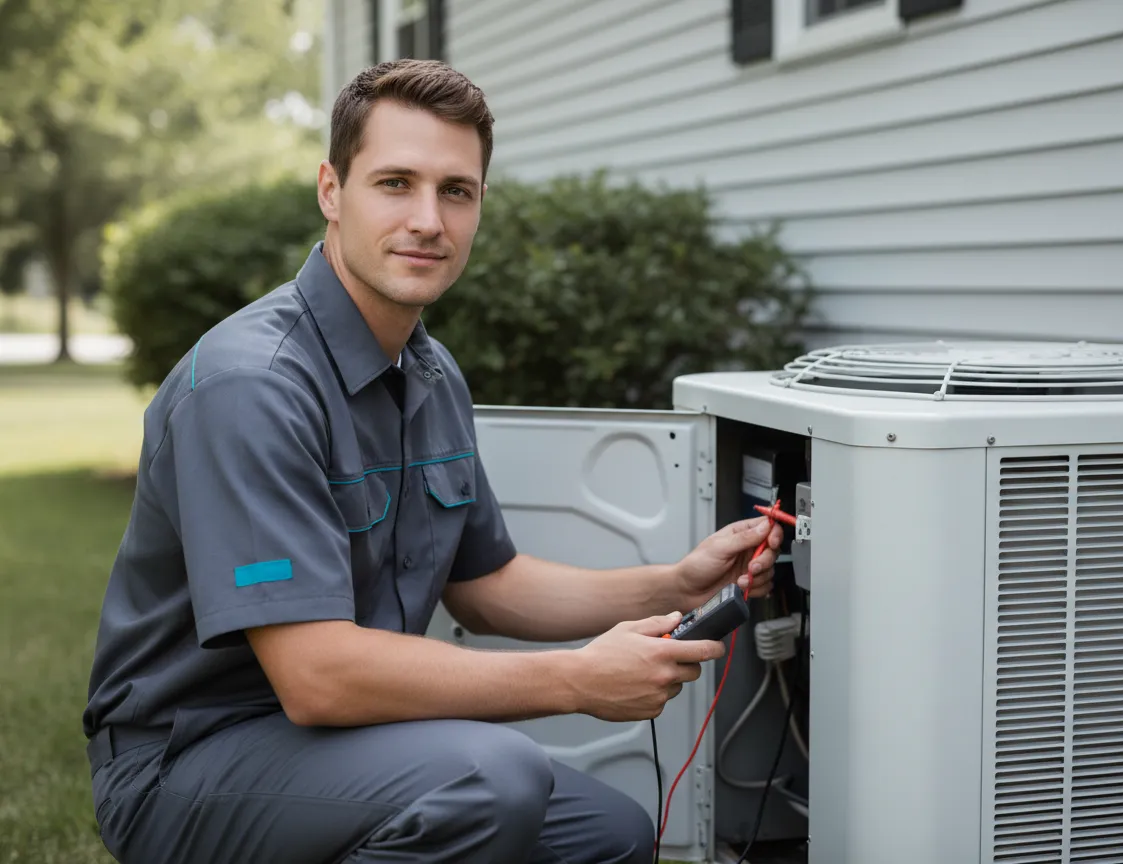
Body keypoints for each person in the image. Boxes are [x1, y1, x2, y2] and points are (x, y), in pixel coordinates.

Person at [82, 59, 784, 864]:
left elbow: (487, 587)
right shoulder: (252, 385)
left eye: (456, 191)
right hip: (188, 762)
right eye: (395, 183)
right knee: (493, 779)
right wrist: (575, 681)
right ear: (330, 191)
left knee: (611, 837)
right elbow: (318, 678)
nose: (429, 219)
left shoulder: (430, 371)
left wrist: (677, 582)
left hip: (345, 745)